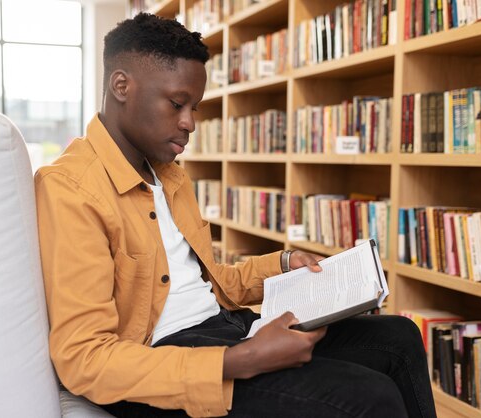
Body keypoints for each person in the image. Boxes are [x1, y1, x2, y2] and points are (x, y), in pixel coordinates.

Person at [35, 12, 437, 418]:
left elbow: (205, 280)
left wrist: (282, 266)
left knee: (398, 338)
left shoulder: (169, 175)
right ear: (121, 85)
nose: (189, 122)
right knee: (368, 396)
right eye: (177, 103)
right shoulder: (71, 188)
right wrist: (239, 361)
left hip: (225, 327)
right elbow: (84, 358)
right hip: (163, 363)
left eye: (194, 106)